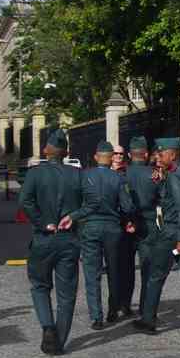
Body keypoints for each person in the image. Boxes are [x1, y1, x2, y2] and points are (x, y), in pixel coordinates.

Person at [132, 137, 180, 338]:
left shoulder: (175, 177)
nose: (158, 156)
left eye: (161, 154)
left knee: (156, 275)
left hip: (174, 234)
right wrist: (162, 180)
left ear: (173, 155)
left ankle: (148, 320)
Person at [20, 130, 84, 354]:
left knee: (39, 286)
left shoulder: (34, 174)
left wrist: (42, 223)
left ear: (46, 150)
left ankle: (48, 326)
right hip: (69, 239)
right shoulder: (77, 174)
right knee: (66, 294)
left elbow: (25, 201)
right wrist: (73, 217)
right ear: (66, 153)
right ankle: (60, 341)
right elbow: (89, 204)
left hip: (43, 238)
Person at [62, 141, 135, 330]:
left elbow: (79, 204)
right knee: (114, 270)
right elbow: (127, 207)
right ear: (111, 158)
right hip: (112, 228)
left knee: (92, 273)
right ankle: (113, 310)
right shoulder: (119, 179)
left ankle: (96, 316)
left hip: (90, 227)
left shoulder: (84, 176)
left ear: (95, 157)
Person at [120, 136, 155, 319]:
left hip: (126, 224)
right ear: (147, 154)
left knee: (126, 267)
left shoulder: (122, 174)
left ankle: (125, 304)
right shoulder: (155, 174)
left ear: (129, 154)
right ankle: (145, 308)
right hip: (148, 224)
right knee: (147, 270)